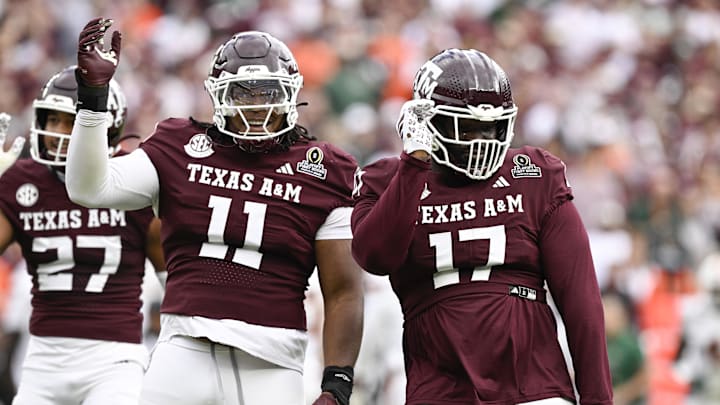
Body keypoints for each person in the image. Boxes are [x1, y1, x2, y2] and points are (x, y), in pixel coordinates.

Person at [65, 18, 364, 405]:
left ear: (291, 94)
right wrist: (93, 99)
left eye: (268, 93)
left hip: (271, 362)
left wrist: (337, 383)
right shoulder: (180, 146)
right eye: (243, 93)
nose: (257, 107)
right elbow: (89, 187)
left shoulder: (325, 170)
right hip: (185, 348)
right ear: (219, 95)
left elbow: (342, 290)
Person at [351, 48, 614, 404]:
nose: (483, 139)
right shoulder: (389, 180)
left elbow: (580, 300)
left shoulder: (534, 175)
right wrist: (413, 164)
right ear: (428, 121)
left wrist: (598, 399)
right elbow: (375, 256)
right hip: (441, 387)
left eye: (492, 126)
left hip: (532, 384)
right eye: (468, 127)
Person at [0, 64, 165, 405]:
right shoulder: (21, 182)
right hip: (43, 360)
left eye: (71, 121)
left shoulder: (132, 177)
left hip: (114, 361)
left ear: (107, 127)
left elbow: (176, 279)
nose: (59, 133)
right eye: (53, 120)